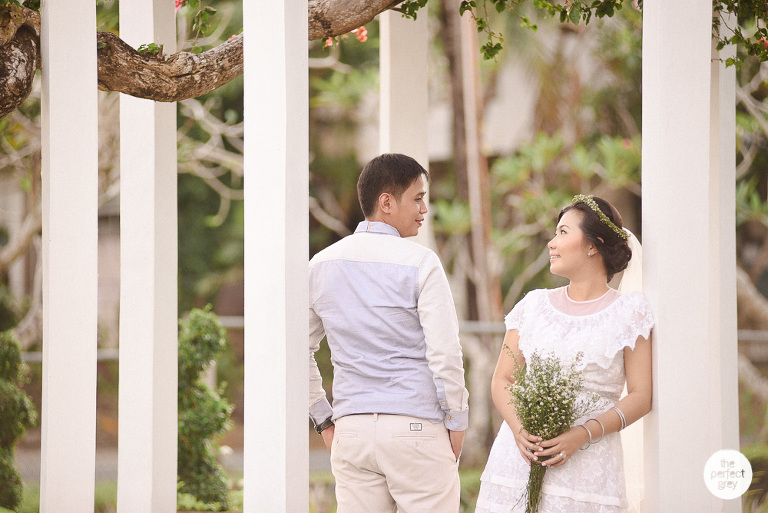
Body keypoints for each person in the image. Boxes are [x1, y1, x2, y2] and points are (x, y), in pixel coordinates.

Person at [308, 153, 470, 513]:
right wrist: (457, 420)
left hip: (352, 432)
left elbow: (296, 351)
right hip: (416, 429)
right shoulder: (421, 262)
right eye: (418, 198)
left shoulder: (320, 265)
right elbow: (445, 352)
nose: (424, 209)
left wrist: (324, 418)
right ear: (386, 202)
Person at [475, 195, 654, 513]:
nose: (551, 243)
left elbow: (641, 396)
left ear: (593, 245)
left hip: (590, 467)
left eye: (563, 232)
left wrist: (582, 435)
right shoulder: (533, 305)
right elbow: (503, 378)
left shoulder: (630, 312)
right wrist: (520, 430)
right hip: (519, 459)